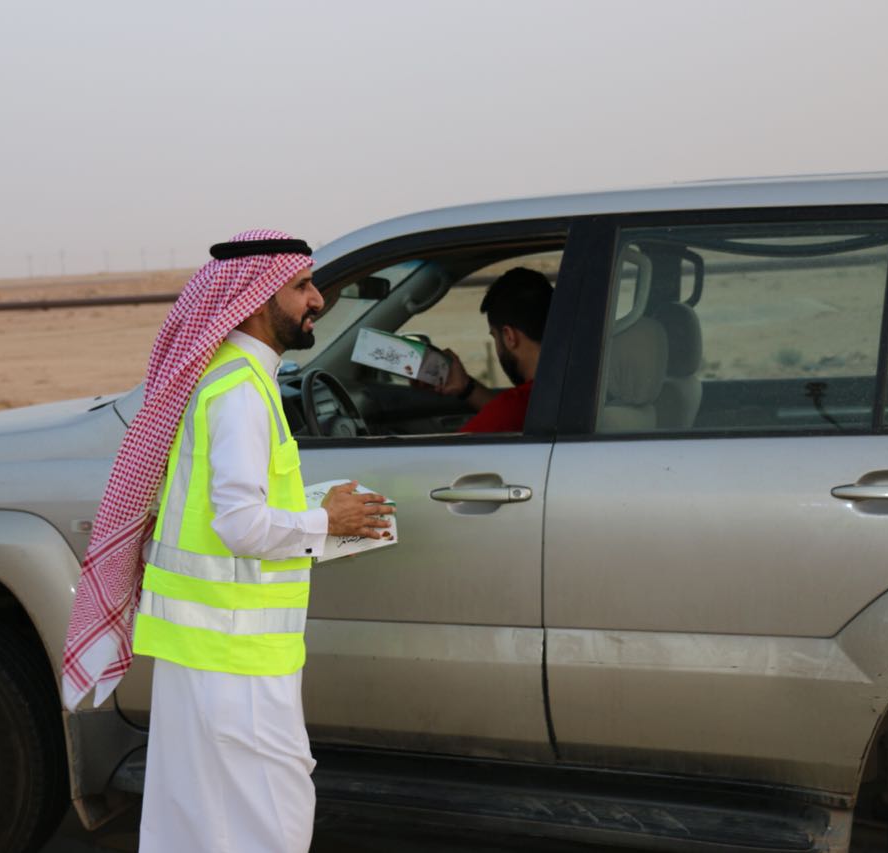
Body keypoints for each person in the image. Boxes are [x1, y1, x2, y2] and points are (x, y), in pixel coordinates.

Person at [61, 230, 393, 853]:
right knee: (271, 824)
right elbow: (239, 524)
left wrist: (314, 509)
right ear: (253, 299)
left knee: (196, 823)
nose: (316, 300)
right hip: (238, 662)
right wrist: (329, 523)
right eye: (300, 287)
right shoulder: (240, 391)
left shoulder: (230, 377)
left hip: (208, 657)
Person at [432, 267, 552, 433]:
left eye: (494, 336)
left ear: (509, 336)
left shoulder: (517, 406)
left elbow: (449, 456)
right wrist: (466, 387)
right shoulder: (574, 387)